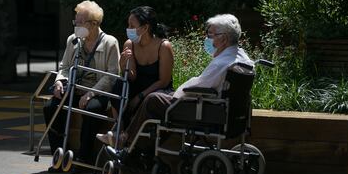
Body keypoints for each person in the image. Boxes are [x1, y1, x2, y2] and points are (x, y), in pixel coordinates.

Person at [97, 13, 253, 149]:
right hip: (222, 108)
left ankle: (125, 138)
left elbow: (198, 86)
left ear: (224, 39)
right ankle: (130, 139)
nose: (207, 38)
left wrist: (176, 94)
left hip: (204, 109)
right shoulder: (242, 58)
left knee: (153, 99)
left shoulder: (221, 63)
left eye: (210, 35)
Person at [43, 0, 120, 172]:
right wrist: (58, 82)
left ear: (93, 24)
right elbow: (64, 67)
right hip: (75, 88)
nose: (76, 25)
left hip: (98, 92)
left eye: (80, 22)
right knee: (51, 107)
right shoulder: (73, 40)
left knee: (92, 109)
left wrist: (90, 94)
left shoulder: (109, 42)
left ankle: (83, 157)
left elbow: (111, 76)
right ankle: (59, 155)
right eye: (75, 21)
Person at [106, 6, 174, 136]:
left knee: (146, 99)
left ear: (145, 28)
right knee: (120, 84)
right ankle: (118, 130)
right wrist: (123, 63)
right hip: (137, 86)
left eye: (132, 25)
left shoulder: (163, 46)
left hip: (157, 90)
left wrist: (140, 96)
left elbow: (164, 81)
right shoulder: (129, 44)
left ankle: (125, 136)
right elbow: (131, 77)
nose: (128, 29)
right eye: (128, 25)